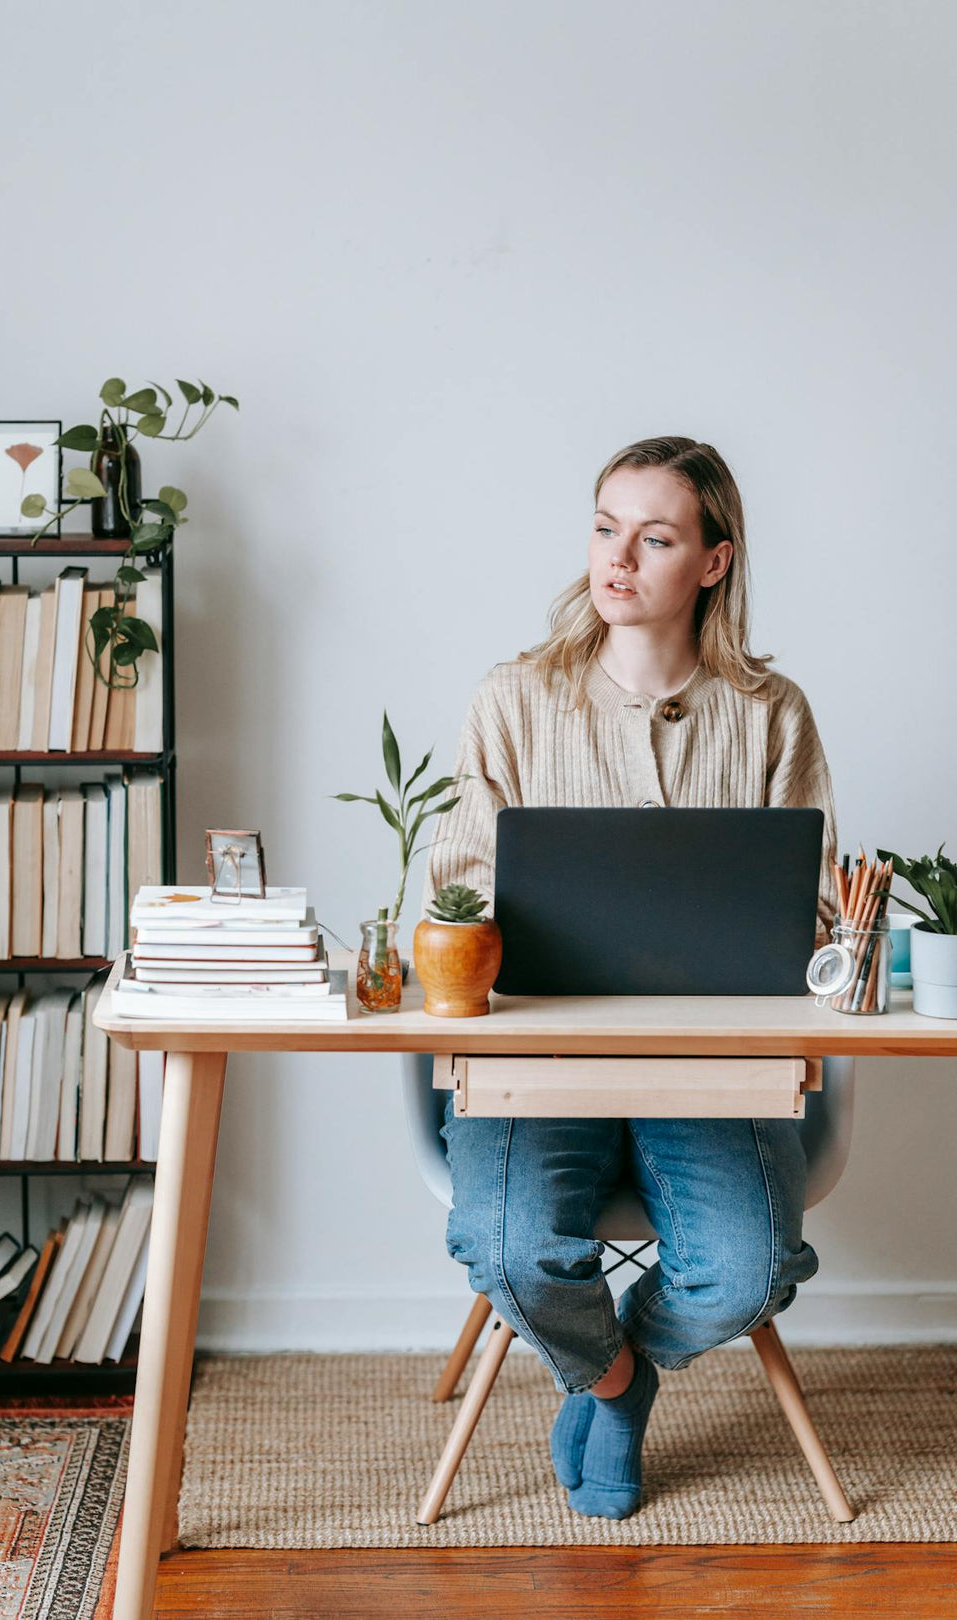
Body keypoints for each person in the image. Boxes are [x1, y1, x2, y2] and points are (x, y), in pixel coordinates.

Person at [421, 435, 838, 1520]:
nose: (619, 559)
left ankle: (616, 1363)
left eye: (655, 537)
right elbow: (459, 886)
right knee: (511, 1255)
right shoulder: (513, 696)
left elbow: (823, 908)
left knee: (748, 1274)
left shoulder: (770, 711)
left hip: (716, 1067)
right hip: (532, 1056)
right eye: (606, 528)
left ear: (712, 562)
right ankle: (613, 1382)